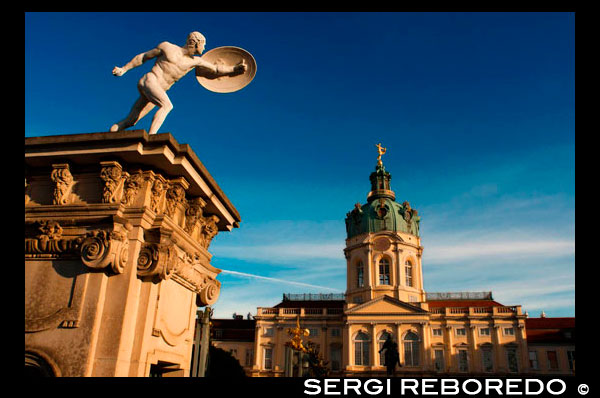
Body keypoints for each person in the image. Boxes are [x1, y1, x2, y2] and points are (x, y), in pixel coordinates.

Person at [110, 31, 246, 135]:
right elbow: (143, 57)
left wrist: (235, 68)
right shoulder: (167, 47)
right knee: (167, 106)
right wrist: (124, 69)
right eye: (204, 44)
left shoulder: (195, 61)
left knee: (132, 120)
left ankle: (111, 133)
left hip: (158, 91)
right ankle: (152, 139)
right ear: (196, 42)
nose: (205, 47)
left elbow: (216, 68)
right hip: (150, 80)